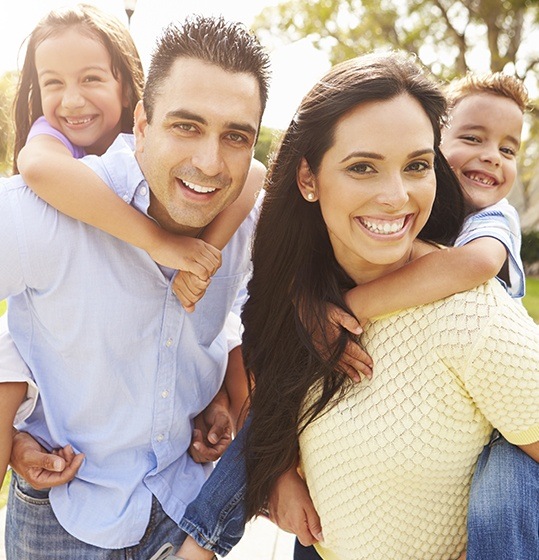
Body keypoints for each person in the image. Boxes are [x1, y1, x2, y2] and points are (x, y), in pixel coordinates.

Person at [148, 70, 535, 560]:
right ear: (308, 179)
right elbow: (271, 397)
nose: (396, 195)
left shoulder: (469, 314)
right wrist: (282, 470)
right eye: (363, 168)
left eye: (416, 165)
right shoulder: (303, 298)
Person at [0, 13, 270, 559]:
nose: (209, 161)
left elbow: (250, 309)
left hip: (184, 504)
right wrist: (14, 421)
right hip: (66, 508)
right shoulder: (43, 211)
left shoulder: (252, 213)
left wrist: (220, 387)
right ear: (142, 124)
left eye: (235, 136)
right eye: (186, 126)